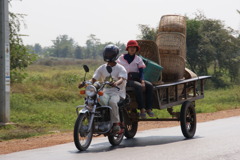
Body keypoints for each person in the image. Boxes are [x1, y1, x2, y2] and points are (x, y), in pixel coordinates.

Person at [79, 44, 127, 132]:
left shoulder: (120, 68)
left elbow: (122, 79)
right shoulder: (102, 68)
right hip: (106, 92)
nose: (108, 56)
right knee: (94, 99)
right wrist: (84, 83)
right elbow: (94, 79)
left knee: (112, 102)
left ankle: (116, 124)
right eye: (107, 54)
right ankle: (93, 119)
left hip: (117, 92)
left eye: (110, 54)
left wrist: (115, 83)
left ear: (115, 55)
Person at [116, 40, 154, 119]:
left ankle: (149, 108)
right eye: (131, 47)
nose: (132, 49)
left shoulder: (138, 59)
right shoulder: (121, 58)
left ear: (136, 49)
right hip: (125, 79)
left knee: (150, 86)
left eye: (134, 47)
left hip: (137, 78)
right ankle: (142, 109)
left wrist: (143, 81)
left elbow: (141, 72)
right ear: (128, 48)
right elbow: (117, 70)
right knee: (138, 86)